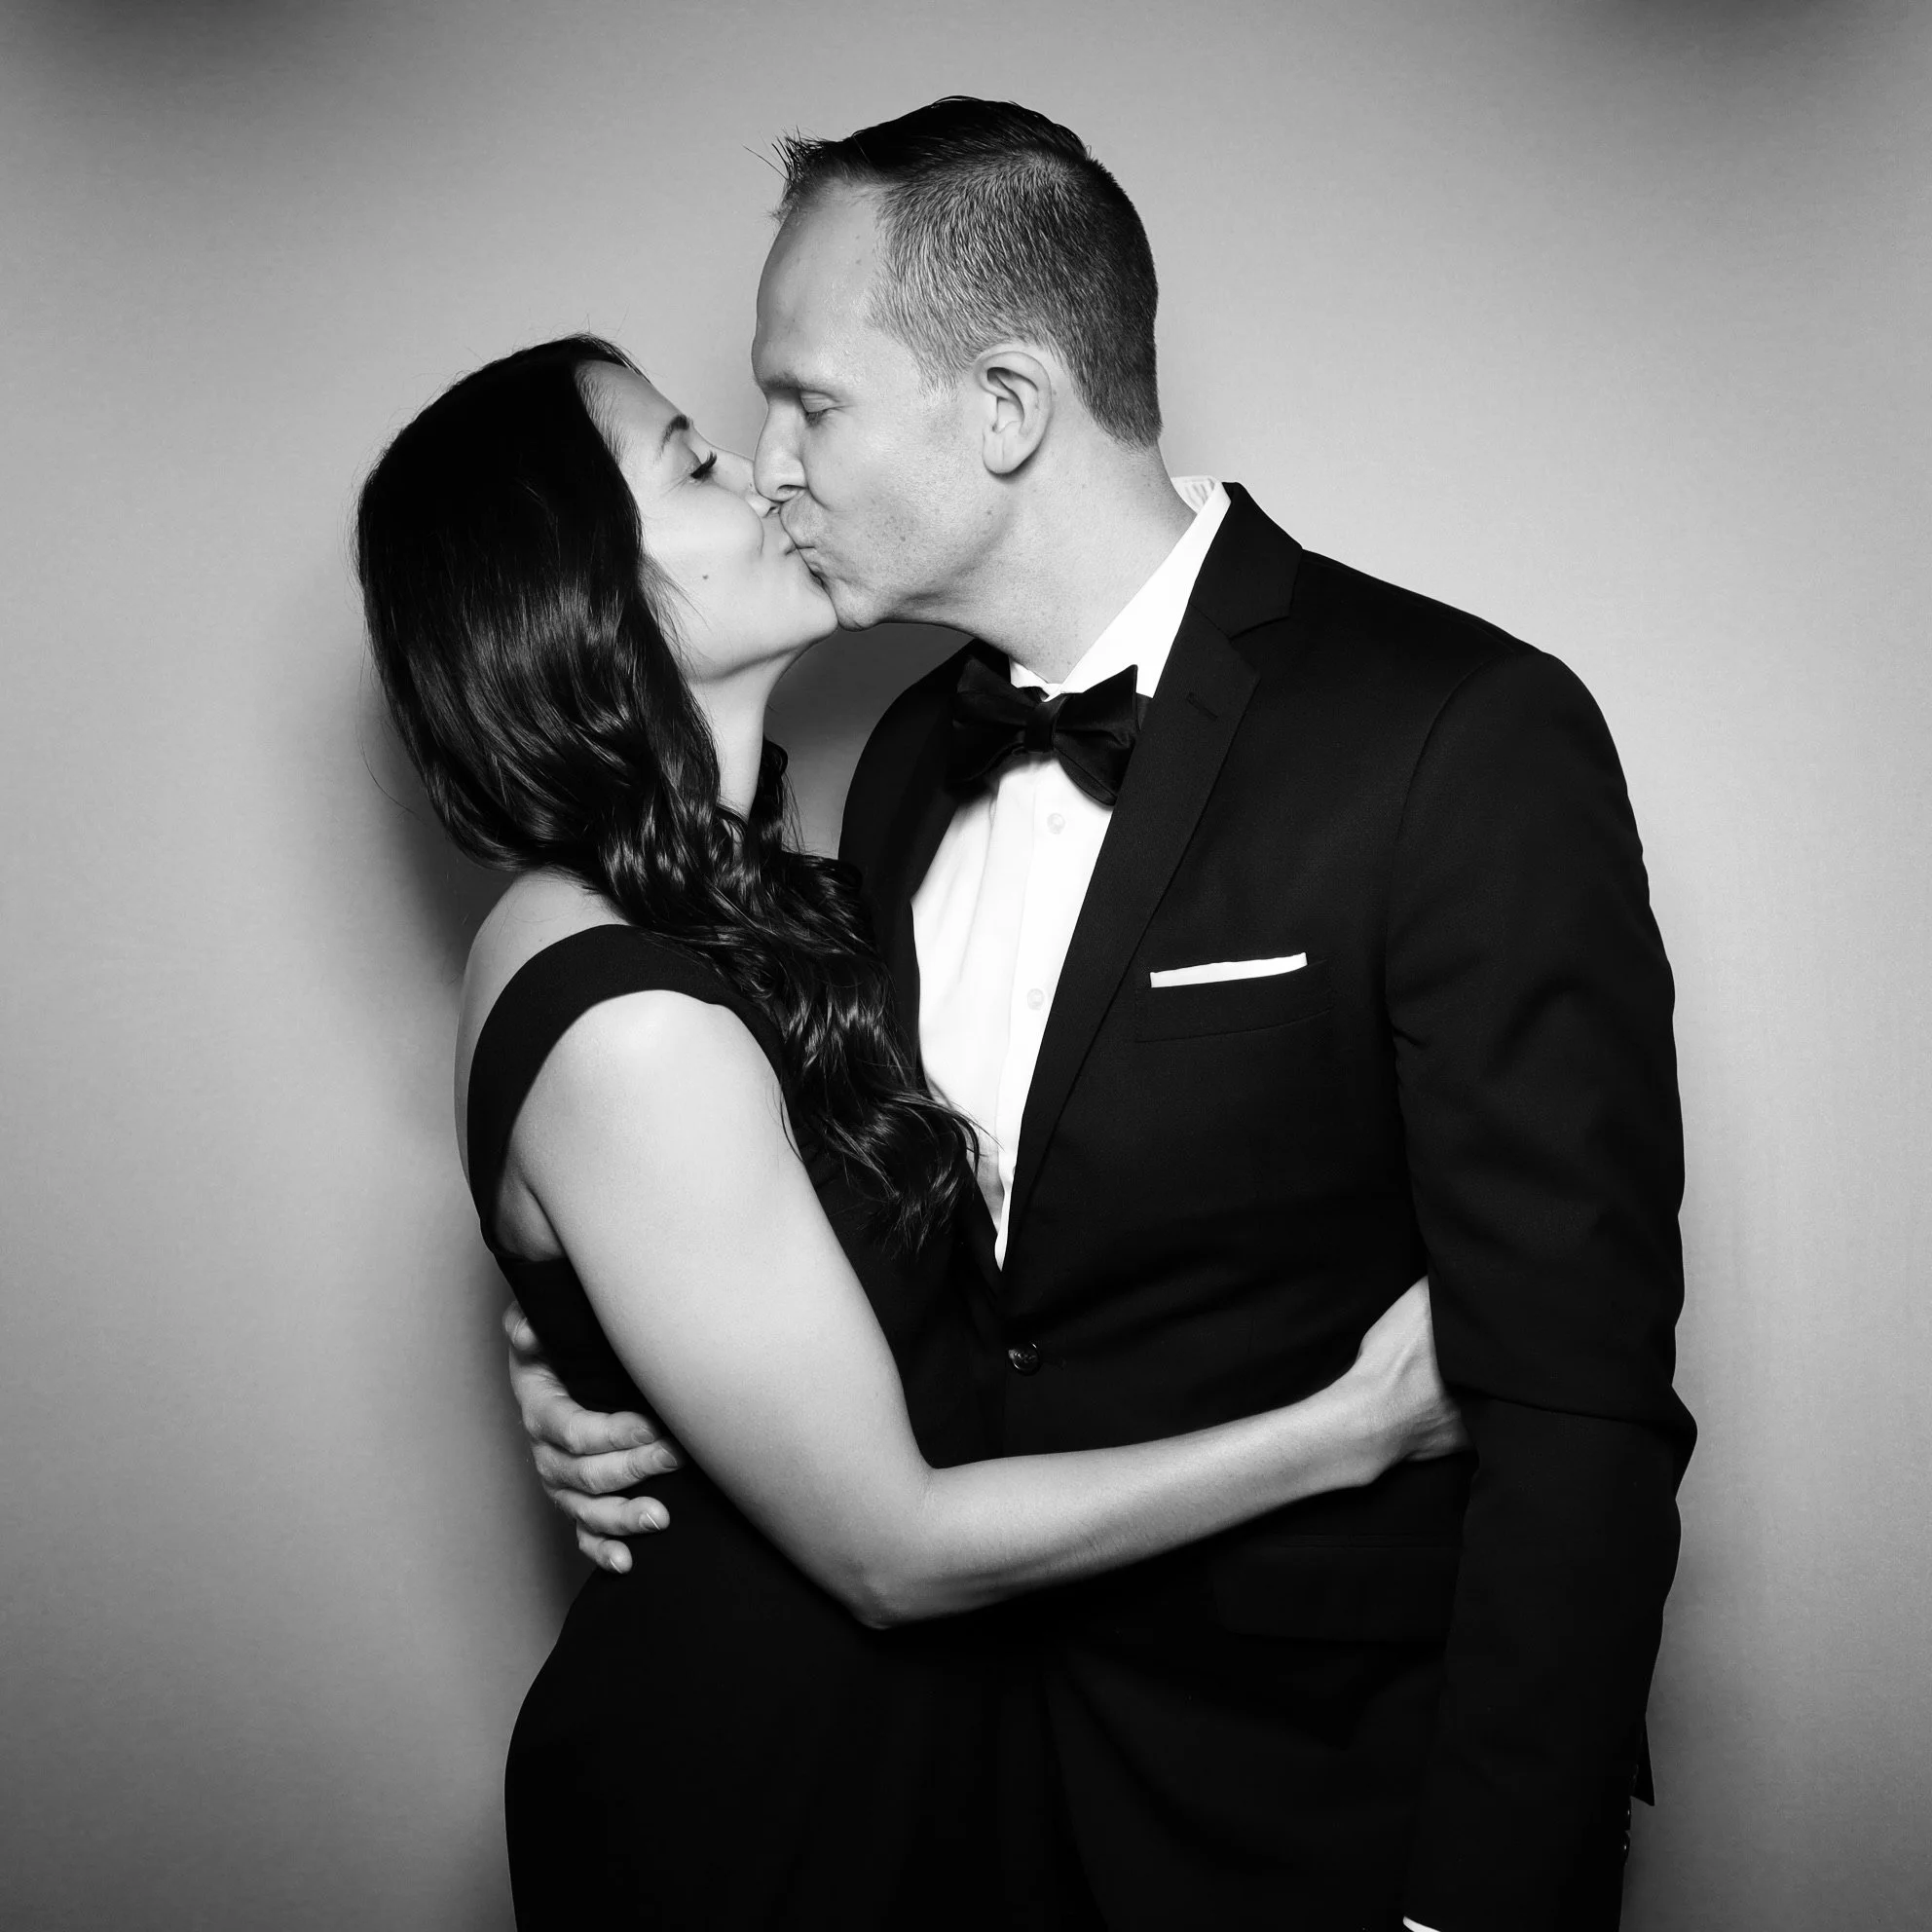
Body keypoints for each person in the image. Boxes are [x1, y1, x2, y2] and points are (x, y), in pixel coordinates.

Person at [515, 100, 1696, 1931]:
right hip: (943, 1803)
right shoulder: (907, 761)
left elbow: (1577, 1410)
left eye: (807, 401)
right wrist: (590, 1345)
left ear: (1002, 410)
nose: (768, 464)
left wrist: (1485, 1901)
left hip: (1318, 1822)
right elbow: (868, 1250)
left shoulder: (1459, 737)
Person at [357, 334, 1467, 1927]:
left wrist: (566, 1342)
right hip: (765, 1806)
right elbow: (890, 1547)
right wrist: (1354, 1427)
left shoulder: (754, 882)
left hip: (934, 1763)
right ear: (582, 594)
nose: (766, 473)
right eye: (693, 461)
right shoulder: (631, 1015)